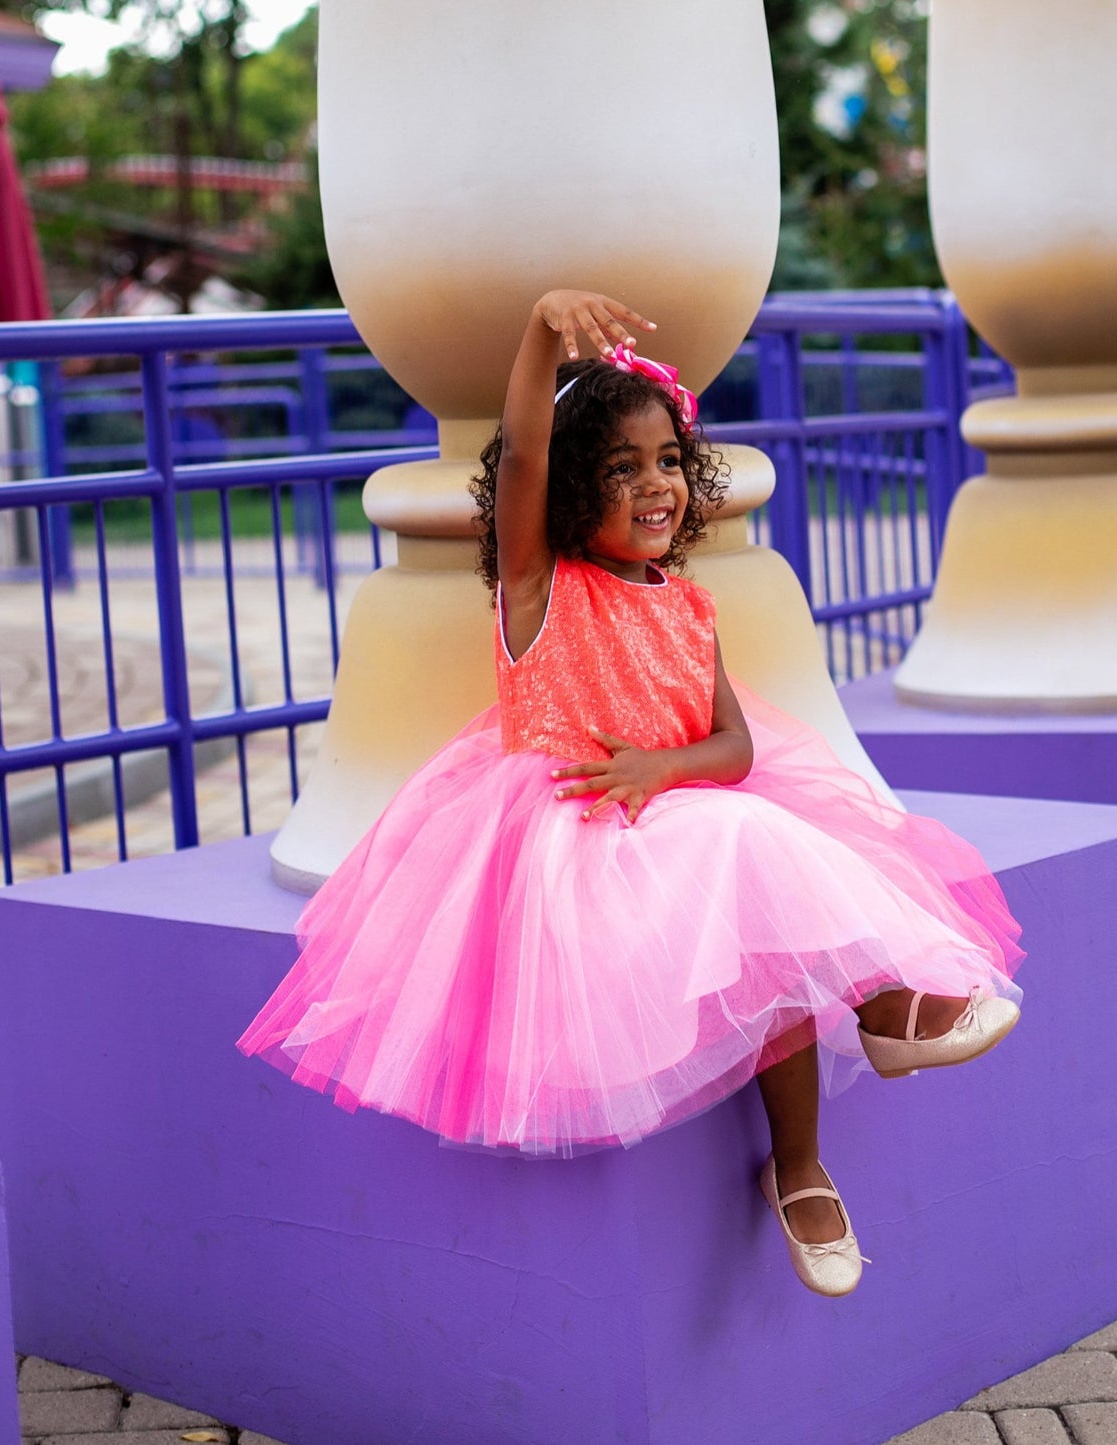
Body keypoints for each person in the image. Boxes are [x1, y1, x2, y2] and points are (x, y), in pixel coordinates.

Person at [238, 290, 1024, 1298]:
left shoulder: (688, 607)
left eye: (664, 461)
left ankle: (801, 1157)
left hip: (677, 819)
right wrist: (534, 332)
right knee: (742, 853)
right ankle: (881, 1015)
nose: (653, 485)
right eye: (619, 469)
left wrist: (661, 767)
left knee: (754, 880)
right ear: (568, 493)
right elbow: (518, 453)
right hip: (572, 847)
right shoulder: (540, 586)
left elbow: (734, 743)